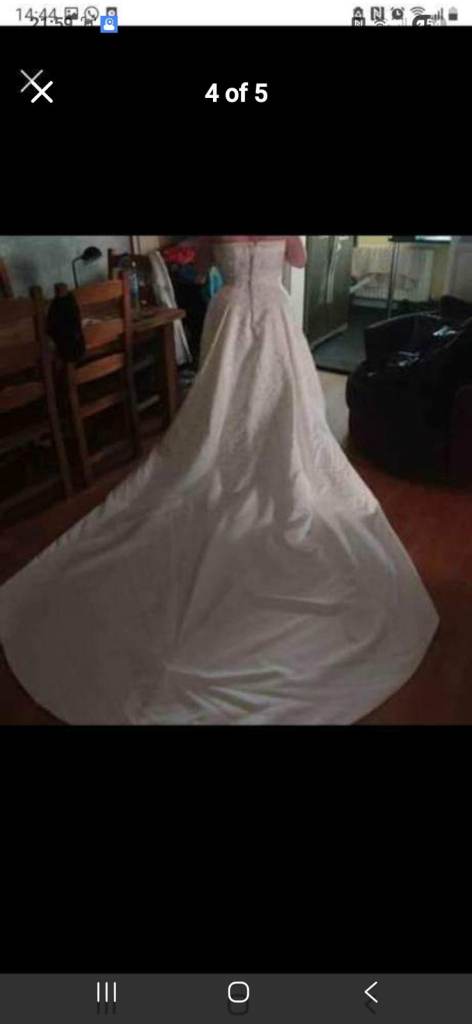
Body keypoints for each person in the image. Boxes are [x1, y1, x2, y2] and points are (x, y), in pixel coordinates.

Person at [0, 236, 439, 724]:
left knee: (223, 403)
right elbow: (298, 260)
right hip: (272, 313)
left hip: (229, 313)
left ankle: (231, 461)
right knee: (279, 404)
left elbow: (197, 269)